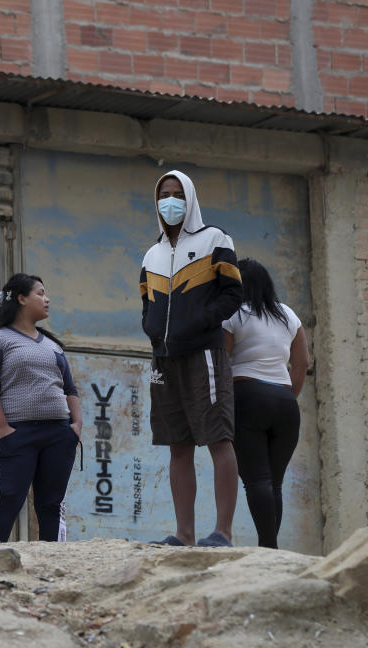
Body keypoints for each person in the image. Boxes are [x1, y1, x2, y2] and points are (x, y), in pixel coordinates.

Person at [139, 170, 243, 547]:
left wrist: (198, 323)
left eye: (177, 194)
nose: (169, 201)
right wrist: (153, 331)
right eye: (163, 194)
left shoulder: (215, 239)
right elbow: (146, 303)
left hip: (204, 355)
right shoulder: (152, 253)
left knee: (218, 438)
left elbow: (232, 294)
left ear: (191, 199)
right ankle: (184, 536)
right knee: (177, 445)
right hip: (164, 361)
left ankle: (223, 533)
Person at [0, 273, 81, 543]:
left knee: (51, 505)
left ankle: (53, 564)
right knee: (8, 498)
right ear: (21, 298)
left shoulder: (53, 344)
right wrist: (3, 428)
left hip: (58, 434)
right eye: (40, 293)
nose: (47, 299)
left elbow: (70, 388)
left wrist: (75, 426)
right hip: (17, 433)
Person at [222, 259, 309, 549]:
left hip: (247, 396)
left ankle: (268, 548)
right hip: (285, 402)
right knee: (275, 482)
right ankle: (270, 547)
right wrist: (288, 397)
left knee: (256, 479)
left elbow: (223, 362)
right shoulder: (288, 315)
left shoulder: (233, 312)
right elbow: (301, 363)